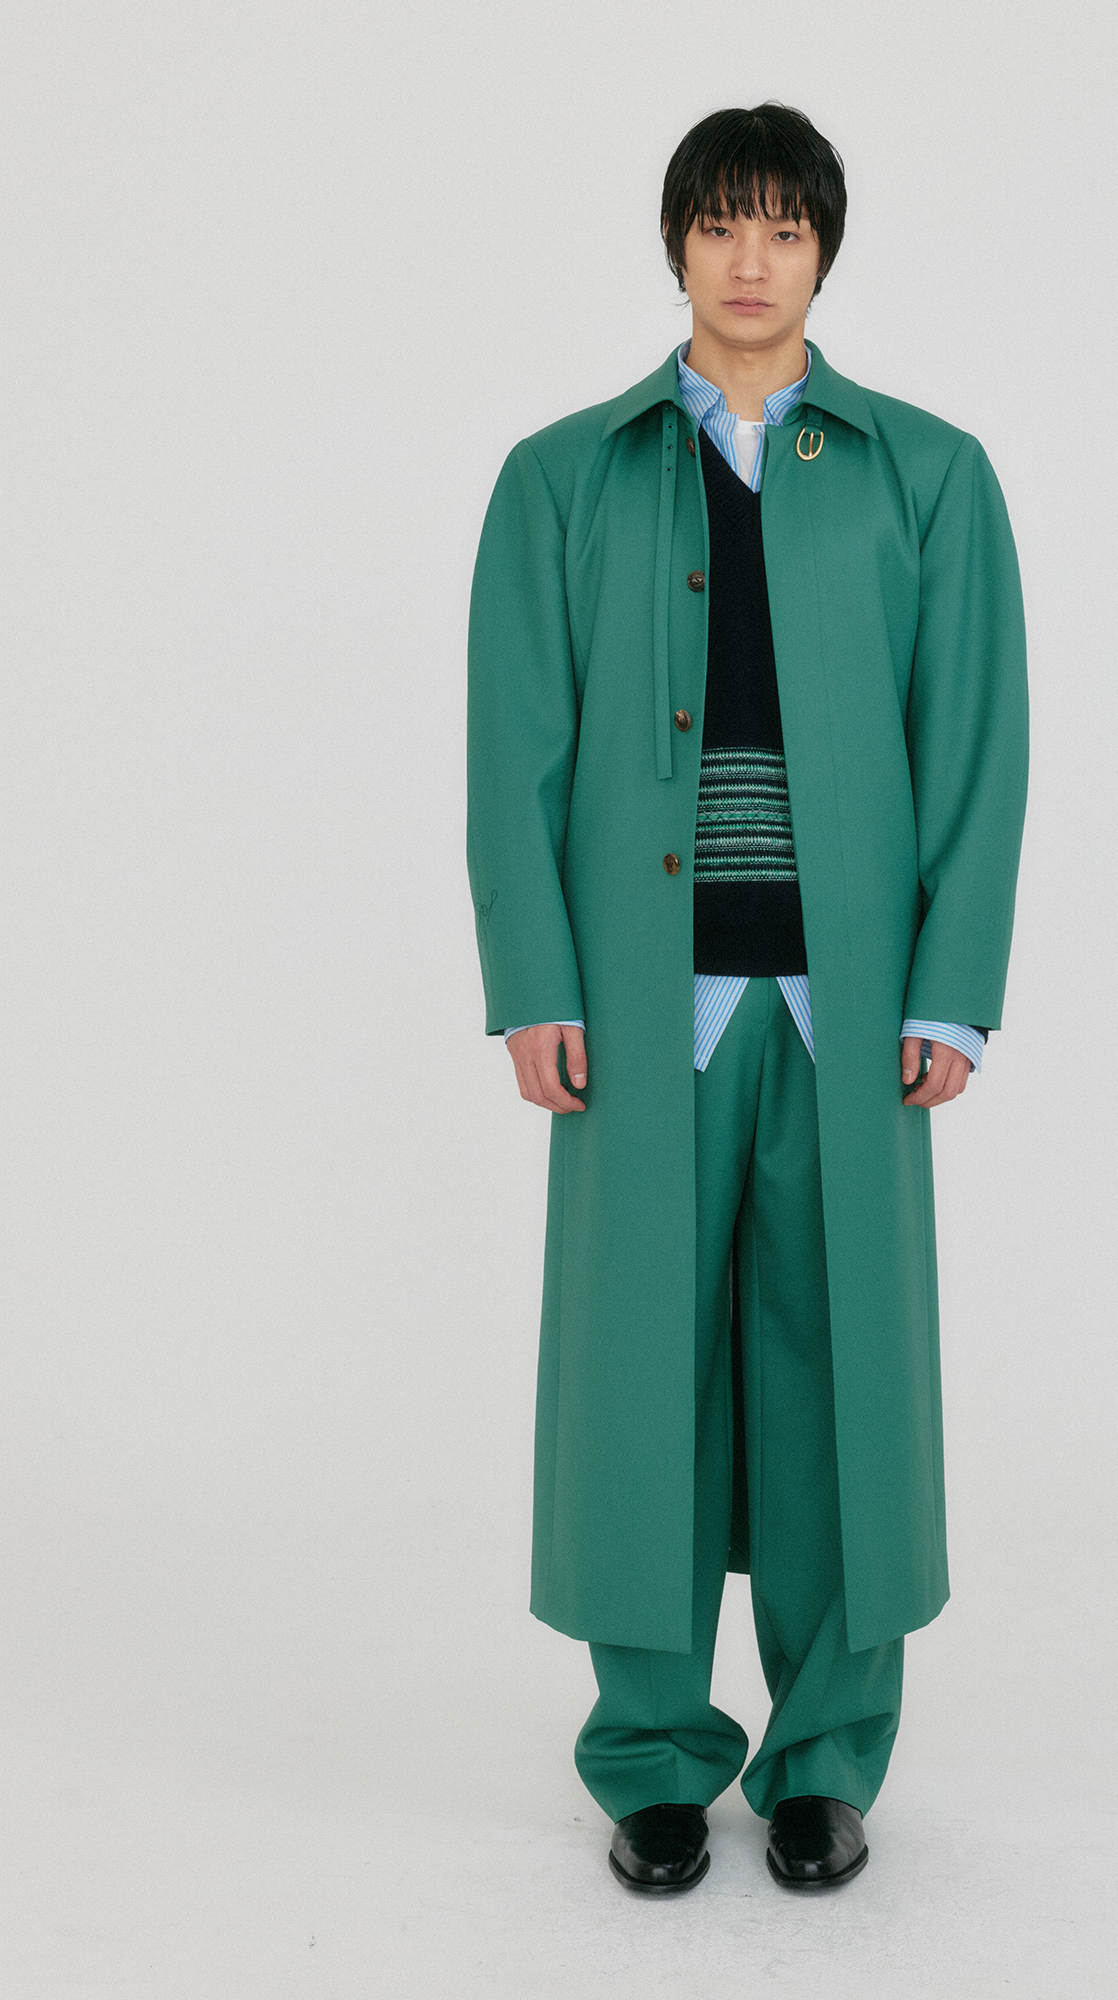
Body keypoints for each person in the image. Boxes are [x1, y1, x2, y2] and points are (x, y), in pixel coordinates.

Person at [467, 101, 1027, 1893]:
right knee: (637, 1382)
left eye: (785, 227)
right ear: (678, 245)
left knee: (844, 1377)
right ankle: (648, 1757)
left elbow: (978, 746)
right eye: (722, 224)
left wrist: (951, 989)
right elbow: (512, 755)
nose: (752, 259)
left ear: (825, 251)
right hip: (642, 1011)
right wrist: (533, 982)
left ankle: (825, 1761)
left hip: (845, 1011)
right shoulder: (561, 477)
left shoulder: (930, 473)